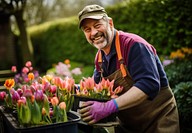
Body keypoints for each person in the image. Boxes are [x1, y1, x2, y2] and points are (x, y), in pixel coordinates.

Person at [77, 4, 180, 133]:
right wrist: (70, 91)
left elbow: (149, 84)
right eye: (87, 29)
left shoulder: (134, 45)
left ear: (110, 23)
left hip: (158, 122)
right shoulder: (99, 57)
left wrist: (109, 106)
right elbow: (93, 87)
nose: (93, 33)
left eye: (97, 26)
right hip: (128, 127)